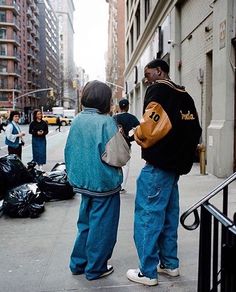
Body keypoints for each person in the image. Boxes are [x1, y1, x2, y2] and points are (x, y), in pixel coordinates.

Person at [126, 59, 202, 286]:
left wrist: (134, 134)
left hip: (157, 167)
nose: (146, 79)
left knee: (148, 217)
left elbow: (149, 130)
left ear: (159, 71)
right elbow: (195, 130)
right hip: (174, 170)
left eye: (148, 73)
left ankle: (147, 272)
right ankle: (170, 264)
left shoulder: (158, 91)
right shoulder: (185, 96)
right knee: (168, 217)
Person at [65, 80, 130, 281]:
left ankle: (78, 264)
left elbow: (69, 151)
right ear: (104, 100)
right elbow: (120, 156)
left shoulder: (76, 120)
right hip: (104, 184)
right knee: (103, 229)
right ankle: (96, 268)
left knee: (85, 224)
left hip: (83, 183)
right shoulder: (106, 122)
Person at [113, 99, 139, 193]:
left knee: (115, 163)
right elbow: (139, 130)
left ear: (119, 107)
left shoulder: (115, 118)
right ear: (128, 107)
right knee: (125, 166)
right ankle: (122, 187)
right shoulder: (132, 118)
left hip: (115, 144)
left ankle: (116, 183)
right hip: (126, 145)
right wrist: (130, 138)